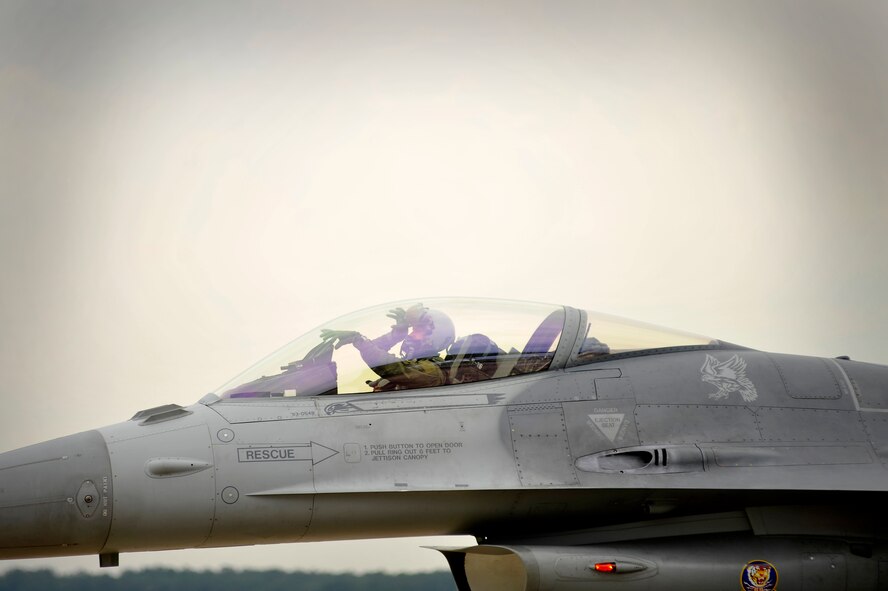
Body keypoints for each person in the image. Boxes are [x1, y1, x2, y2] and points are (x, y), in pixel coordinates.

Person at [319, 304, 455, 391]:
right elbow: (374, 350)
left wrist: (359, 340)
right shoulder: (416, 364)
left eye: (418, 331)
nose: (412, 335)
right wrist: (396, 335)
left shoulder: (433, 371)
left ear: (435, 337)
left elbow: (391, 368)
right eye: (413, 329)